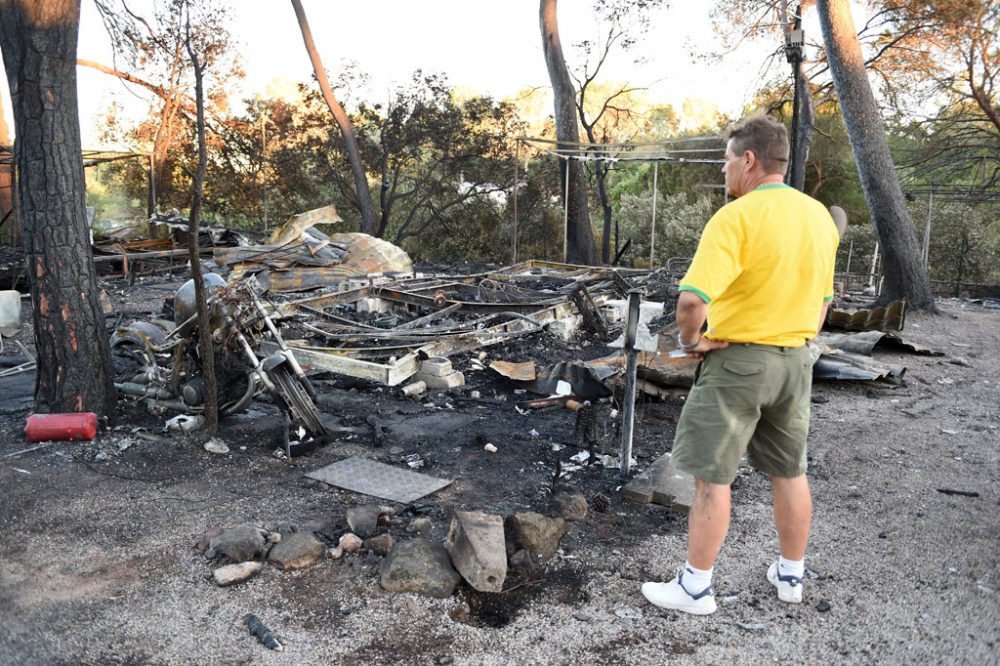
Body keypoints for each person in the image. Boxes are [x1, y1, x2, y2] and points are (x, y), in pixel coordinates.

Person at [641, 115, 840, 615]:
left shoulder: (736, 217)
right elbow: (822, 304)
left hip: (737, 363)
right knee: (790, 472)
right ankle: (791, 575)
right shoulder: (818, 216)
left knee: (714, 479)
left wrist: (694, 342)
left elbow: (691, 301)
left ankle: (695, 589)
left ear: (749, 160)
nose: (725, 170)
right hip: (796, 362)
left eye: (728, 160)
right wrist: (795, 338)